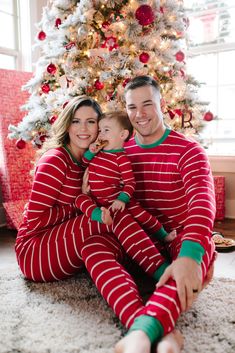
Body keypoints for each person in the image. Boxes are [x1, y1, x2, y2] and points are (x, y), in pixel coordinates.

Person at [112, 75, 216, 352]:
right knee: (98, 249)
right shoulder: (119, 152)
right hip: (137, 241)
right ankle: (166, 335)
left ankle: (141, 336)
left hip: (179, 238)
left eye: (147, 104)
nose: (139, 114)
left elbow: (202, 203)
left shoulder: (189, 151)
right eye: (132, 107)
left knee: (197, 254)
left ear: (163, 104)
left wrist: (190, 257)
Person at [76, 111, 176, 281]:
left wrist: (121, 199)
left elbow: (130, 183)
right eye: (100, 130)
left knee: (141, 215)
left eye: (106, 130)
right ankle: (98, 215)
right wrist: (90, 152)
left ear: (122, 135)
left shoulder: (121, 159)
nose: (100, 135)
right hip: (96, 200)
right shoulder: (98, 153)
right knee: (79, 199)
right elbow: (84, 163)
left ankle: (163, 236)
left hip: (117, 201)